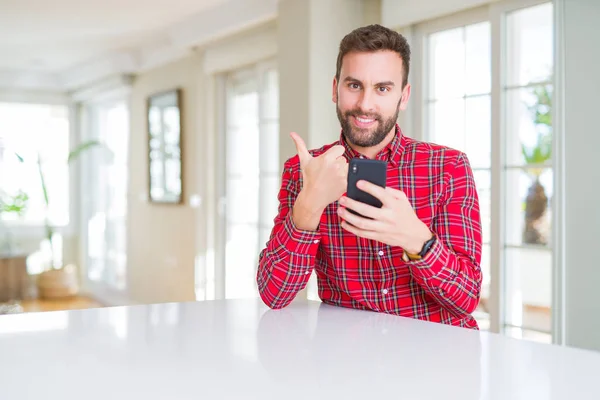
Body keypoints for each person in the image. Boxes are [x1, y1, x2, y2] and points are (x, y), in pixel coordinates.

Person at [256, 24, 483, 329]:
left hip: (435, 362)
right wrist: (309, 204)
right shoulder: (305, 170)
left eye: (383, 88)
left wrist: (415, 237)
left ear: (404, 96)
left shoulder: (448, 167)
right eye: (354, 85)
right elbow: (275, 294)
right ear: (335, 88)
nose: (365, 104)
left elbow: (466, 298)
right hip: (348, 363)